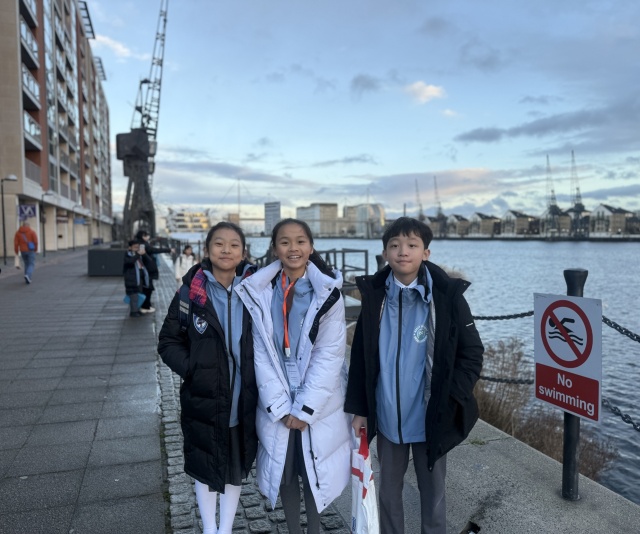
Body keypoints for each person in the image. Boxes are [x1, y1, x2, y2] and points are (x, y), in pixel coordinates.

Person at [345, 217, 484, 534]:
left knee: (433, 493)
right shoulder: (375, 296)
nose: (402, 251)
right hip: (387, 415)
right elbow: (362, 356)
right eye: (394, 245)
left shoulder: (447, 296)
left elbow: (472, 352)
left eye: (411, 245)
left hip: (429, 417)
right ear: (385, 254)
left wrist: (451, 396)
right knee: (387, 492)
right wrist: (360, 409)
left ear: (426, 252)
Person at [236, 218, 351, 534]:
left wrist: (304, 410)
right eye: (284, 241)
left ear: (311, 247)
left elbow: (329, 356)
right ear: (274, 248)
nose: (293, 248)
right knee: (284, 472)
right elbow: (260, 354)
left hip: (319, 400)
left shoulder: (327, 294)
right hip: (277, 397)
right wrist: (280, 406)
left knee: (316, 473)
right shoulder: (261, 291)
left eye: (300, 241)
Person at [158, 222, 258, 534]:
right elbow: (168, 341)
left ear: (243, 252)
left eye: (234, 244)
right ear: (207, 249)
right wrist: (193, 368)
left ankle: (224, 529)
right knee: (204, 469)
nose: (226, 250)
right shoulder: (191, 293)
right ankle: (209, 528)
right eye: (219, 243)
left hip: (243, 401)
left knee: (234, 470)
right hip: (203, 400)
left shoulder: (256, 291)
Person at [135, 230, 174, 314]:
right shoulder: (144, 245)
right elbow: (155, 250)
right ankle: (145, 307)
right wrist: (168, 250)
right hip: (146, 270)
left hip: (143, 269)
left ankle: (146, 305)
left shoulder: (139, 244)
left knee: (146, 287)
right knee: (147, 288)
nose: (148, 237)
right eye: (146, 235)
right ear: (143, 236)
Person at [122, 239, 149, 318]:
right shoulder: (128, 255)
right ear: (130, 247)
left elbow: (147, 262)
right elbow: (130, 262)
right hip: (131, 279)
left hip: (139, 279)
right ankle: (133, 312)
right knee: (133, 296)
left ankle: (137, 310)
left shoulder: (138, 255)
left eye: (138, 247)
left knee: (138, 295)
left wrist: (144, 254)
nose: (137, 249)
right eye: (135, 247)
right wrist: (138, 254)